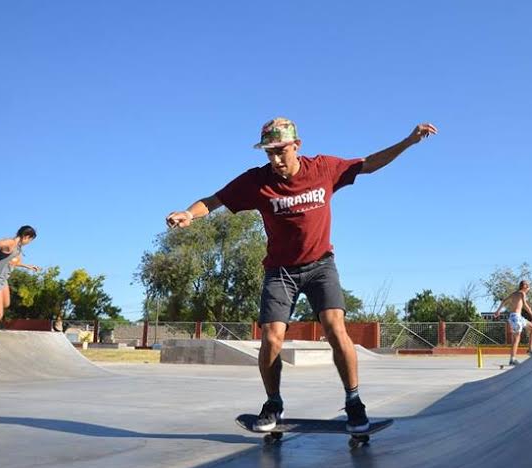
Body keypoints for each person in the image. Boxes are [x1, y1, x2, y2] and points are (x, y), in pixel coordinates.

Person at [166, 117, 437, 432]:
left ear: (297, 145)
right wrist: (189, 213)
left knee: (336, 328)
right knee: (271, 338)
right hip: (280, 271)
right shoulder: (256, 182)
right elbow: (215, 200)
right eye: (270, 153)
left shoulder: (323, 168)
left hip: (321, 266)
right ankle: (273, 403)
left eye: (282, 151)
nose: (277, 160)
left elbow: (369, 164)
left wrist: (408, 141)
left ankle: (353, 402)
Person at [0, 225, 40, 363]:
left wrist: (27, 266)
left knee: (6, 303)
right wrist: (0, 244)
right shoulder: (12, 243)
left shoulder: (18, 248)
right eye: (30, 240)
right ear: (26, 236)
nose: (29, 243)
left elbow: (12, 262)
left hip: (2, 279)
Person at [493, 280, 532, 366]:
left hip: (518, 317)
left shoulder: (513, 294)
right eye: (528, 287)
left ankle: (530, 350)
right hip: (516, 318)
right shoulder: (522, 293)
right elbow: (525, 305)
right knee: (517, 338)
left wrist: (498, 311)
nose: (528, 289)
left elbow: (503, 301)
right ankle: (512, 359)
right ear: (524, 286)